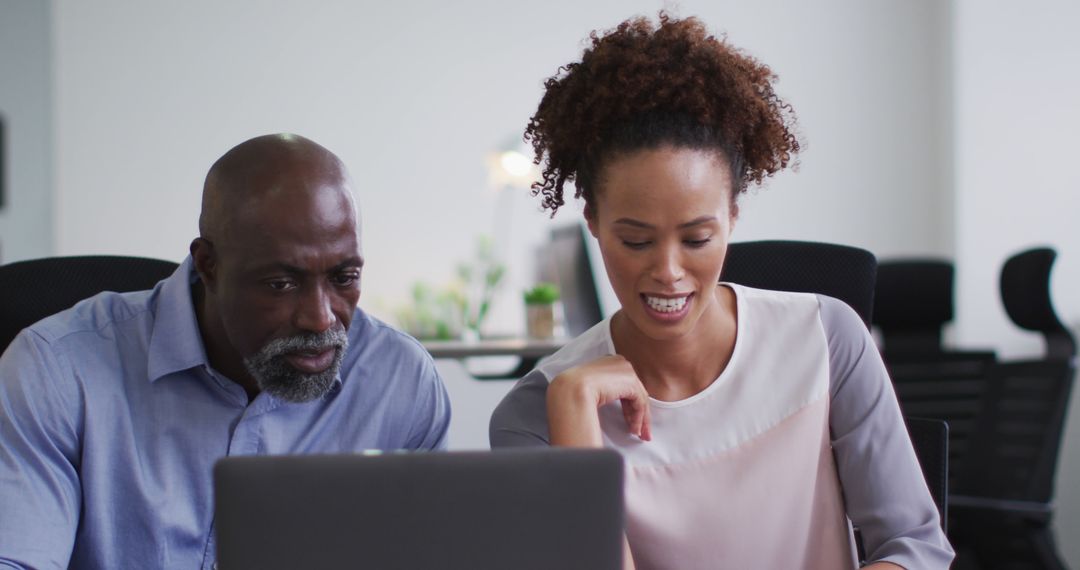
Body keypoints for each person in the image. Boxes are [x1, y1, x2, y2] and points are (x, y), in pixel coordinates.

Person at [489, 14, 953, 570]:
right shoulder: (532, 415)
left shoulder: (828, 338)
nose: (668, 270)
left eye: (697, 238)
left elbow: (915, 544)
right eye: (636, 240)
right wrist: (572, 412)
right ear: (592, 221)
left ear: (733, 216)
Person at [0, 134, 451, 569]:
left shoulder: (400, 382)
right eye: (281, 283)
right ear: (208, 265)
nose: (321, 319)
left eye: (344, 277)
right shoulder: (57, 371)